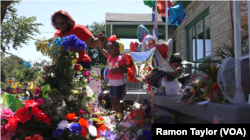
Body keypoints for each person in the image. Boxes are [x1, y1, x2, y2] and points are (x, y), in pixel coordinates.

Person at [98, 34, 127, 122]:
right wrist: (100, 41)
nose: (109, 50)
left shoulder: (120, 58)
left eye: (111, 48)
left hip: (119, 83)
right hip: (112, 82)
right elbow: (101, 49)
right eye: (108, 48)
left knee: (116, 100)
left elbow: (125, 70)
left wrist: (116, 69)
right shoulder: (109, 57)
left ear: (117, 49)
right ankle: (115, 116)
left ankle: (121, 117)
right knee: (112, 100)